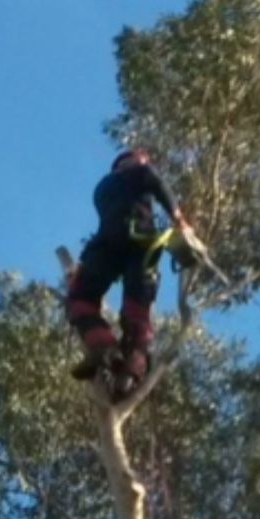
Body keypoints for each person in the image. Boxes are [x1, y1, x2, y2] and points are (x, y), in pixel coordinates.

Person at [66, 149, 188, 395]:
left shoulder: (102, 188)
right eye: (142, 160)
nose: (146, 163)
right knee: (135, 309)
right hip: (137, 242)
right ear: (127, 162)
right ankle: (126, 360)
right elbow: (159, 184)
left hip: (108, 245)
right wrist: (179, 220)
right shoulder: (139, 173)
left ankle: (110, 352)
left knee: (82, 301)